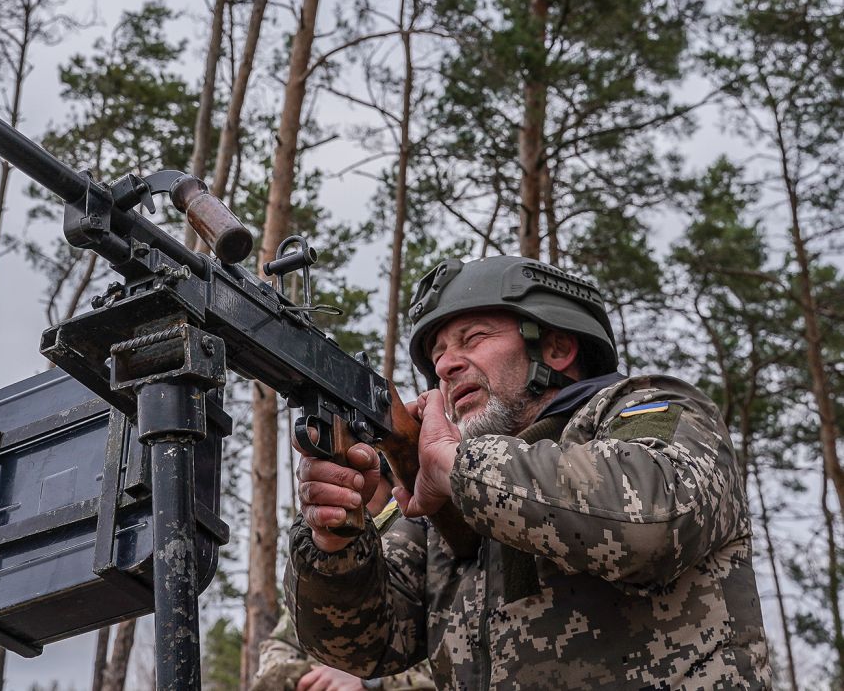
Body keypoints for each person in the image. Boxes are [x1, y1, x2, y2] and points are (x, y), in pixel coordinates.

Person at [285, 255, 772, 689]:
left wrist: (459, 466)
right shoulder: (446, 497)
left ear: (556, 348)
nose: (446, 366)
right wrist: (335, 541)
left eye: (473, 339)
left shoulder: (647, 407)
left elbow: (656, 517)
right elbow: (360, 644)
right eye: (437, 356)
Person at [253, 457, 434, 691]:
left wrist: (371, 681)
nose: (352, 489)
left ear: (393, 483)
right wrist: (313, 677)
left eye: (366, 480)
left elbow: (448, 655)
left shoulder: (423, 544)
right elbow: (277, 649)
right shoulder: (321, 570)